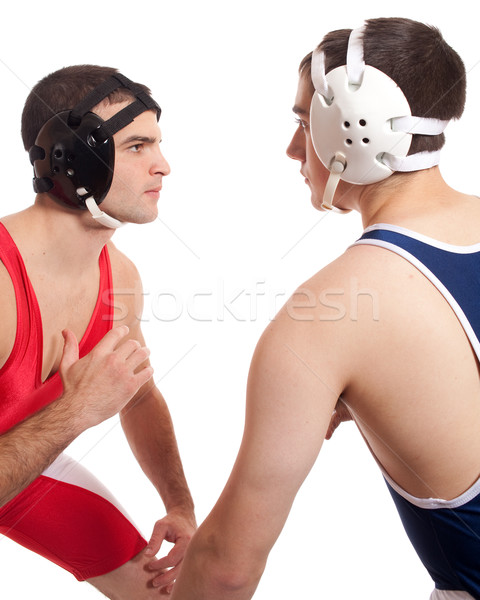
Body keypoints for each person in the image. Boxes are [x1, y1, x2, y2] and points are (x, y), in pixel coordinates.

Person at [169, 17, 480, 600]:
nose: (292, 148)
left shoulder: (327, 315)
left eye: (303, 122)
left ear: (353, 127)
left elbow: (227, 569)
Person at [0, 65, 196, 598]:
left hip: (25, 458)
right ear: (70, 155)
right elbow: (81, 410)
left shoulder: (121, 279)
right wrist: (75, 412)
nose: (163, 165)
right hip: (27, 448)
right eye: (137, 146)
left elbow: (136, 394)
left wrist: (179, 503)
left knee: (170, 592)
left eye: (158, 144)